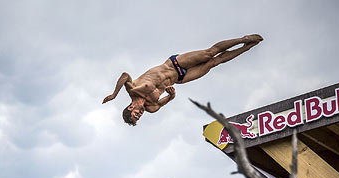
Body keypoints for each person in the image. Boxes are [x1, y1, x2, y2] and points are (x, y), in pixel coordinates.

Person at [103, 35, 263, 125]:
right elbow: (167, 100)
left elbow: (125, 75)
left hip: (173, 64)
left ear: (130, 108)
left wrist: (114, 94)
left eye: (136, 115)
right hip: (180, 78)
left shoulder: (133, 90)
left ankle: (243, 39)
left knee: (209, 53)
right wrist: (171, 95)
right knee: (213, 63)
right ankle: (247, 47)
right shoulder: (151, 107)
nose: (140, 115)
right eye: (138, 118)